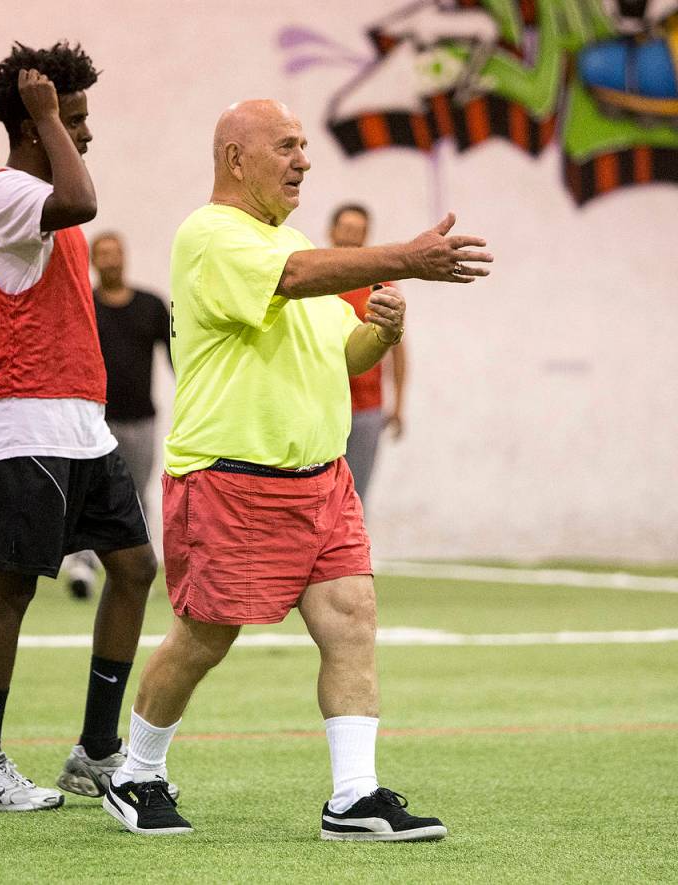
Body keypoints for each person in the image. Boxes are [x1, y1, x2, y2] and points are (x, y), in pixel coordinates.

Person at [101, 99, 492, 838]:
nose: (304, 160)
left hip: (321, 481)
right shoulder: (212, 235)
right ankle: (136, 774)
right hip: (230, 480)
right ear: (235, 160)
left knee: (352, 622)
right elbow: (293, 277)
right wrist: (406, 257)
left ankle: (353, 795)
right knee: (204, 637)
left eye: (305, 147)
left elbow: (344, 355)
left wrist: (382, 331)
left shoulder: (296, 248)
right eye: (286, 146)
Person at [0, 42, 163, 814]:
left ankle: (97, 751)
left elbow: (74, 199)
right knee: (14, 589)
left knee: (134, 567)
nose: (86, 133)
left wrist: (51, 123)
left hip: (79, 425)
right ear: (37, 126)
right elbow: (82, 199)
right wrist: (41, 115)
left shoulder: (43, 193)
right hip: (21, 420)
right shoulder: (7, 192)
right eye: (74, 119)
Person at [61, 232, 172, 599]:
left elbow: (178, 359)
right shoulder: (83, 306)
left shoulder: (151, 306)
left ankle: (137, 566)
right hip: (93, 419)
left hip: (140, 419)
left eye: (115, 253)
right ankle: (82, 563)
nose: (110, 260)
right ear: (93, 261)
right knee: (88, 493)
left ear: (125, 257)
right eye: (102, 254)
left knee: (137, 494)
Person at [330, 204, 408, 506]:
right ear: (332, 231)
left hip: (367, 409)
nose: (351, 236)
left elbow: (397, 348)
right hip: (324, 404)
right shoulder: (316, 283)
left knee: (355, 496)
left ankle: (351, 553)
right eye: (345, 228)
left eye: (358, 231)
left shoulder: (379, 284)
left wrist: (398, 402)